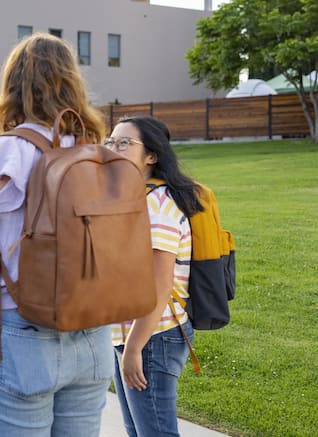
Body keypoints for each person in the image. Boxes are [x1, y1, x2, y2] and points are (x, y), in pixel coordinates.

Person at [0, 33, 113, 436]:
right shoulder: (99, 154)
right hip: (92, 334)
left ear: (11, 86)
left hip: (19, 336)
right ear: (74, 82)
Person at [106, 115, 201, 437]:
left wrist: (133, 349)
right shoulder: (134, 197)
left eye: (124, 143)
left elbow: (159, 287)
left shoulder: (156, 205)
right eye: (111, 142)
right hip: (132, 335)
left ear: (151, 156)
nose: (113, 149)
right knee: (139, 430)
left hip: (152, 336)